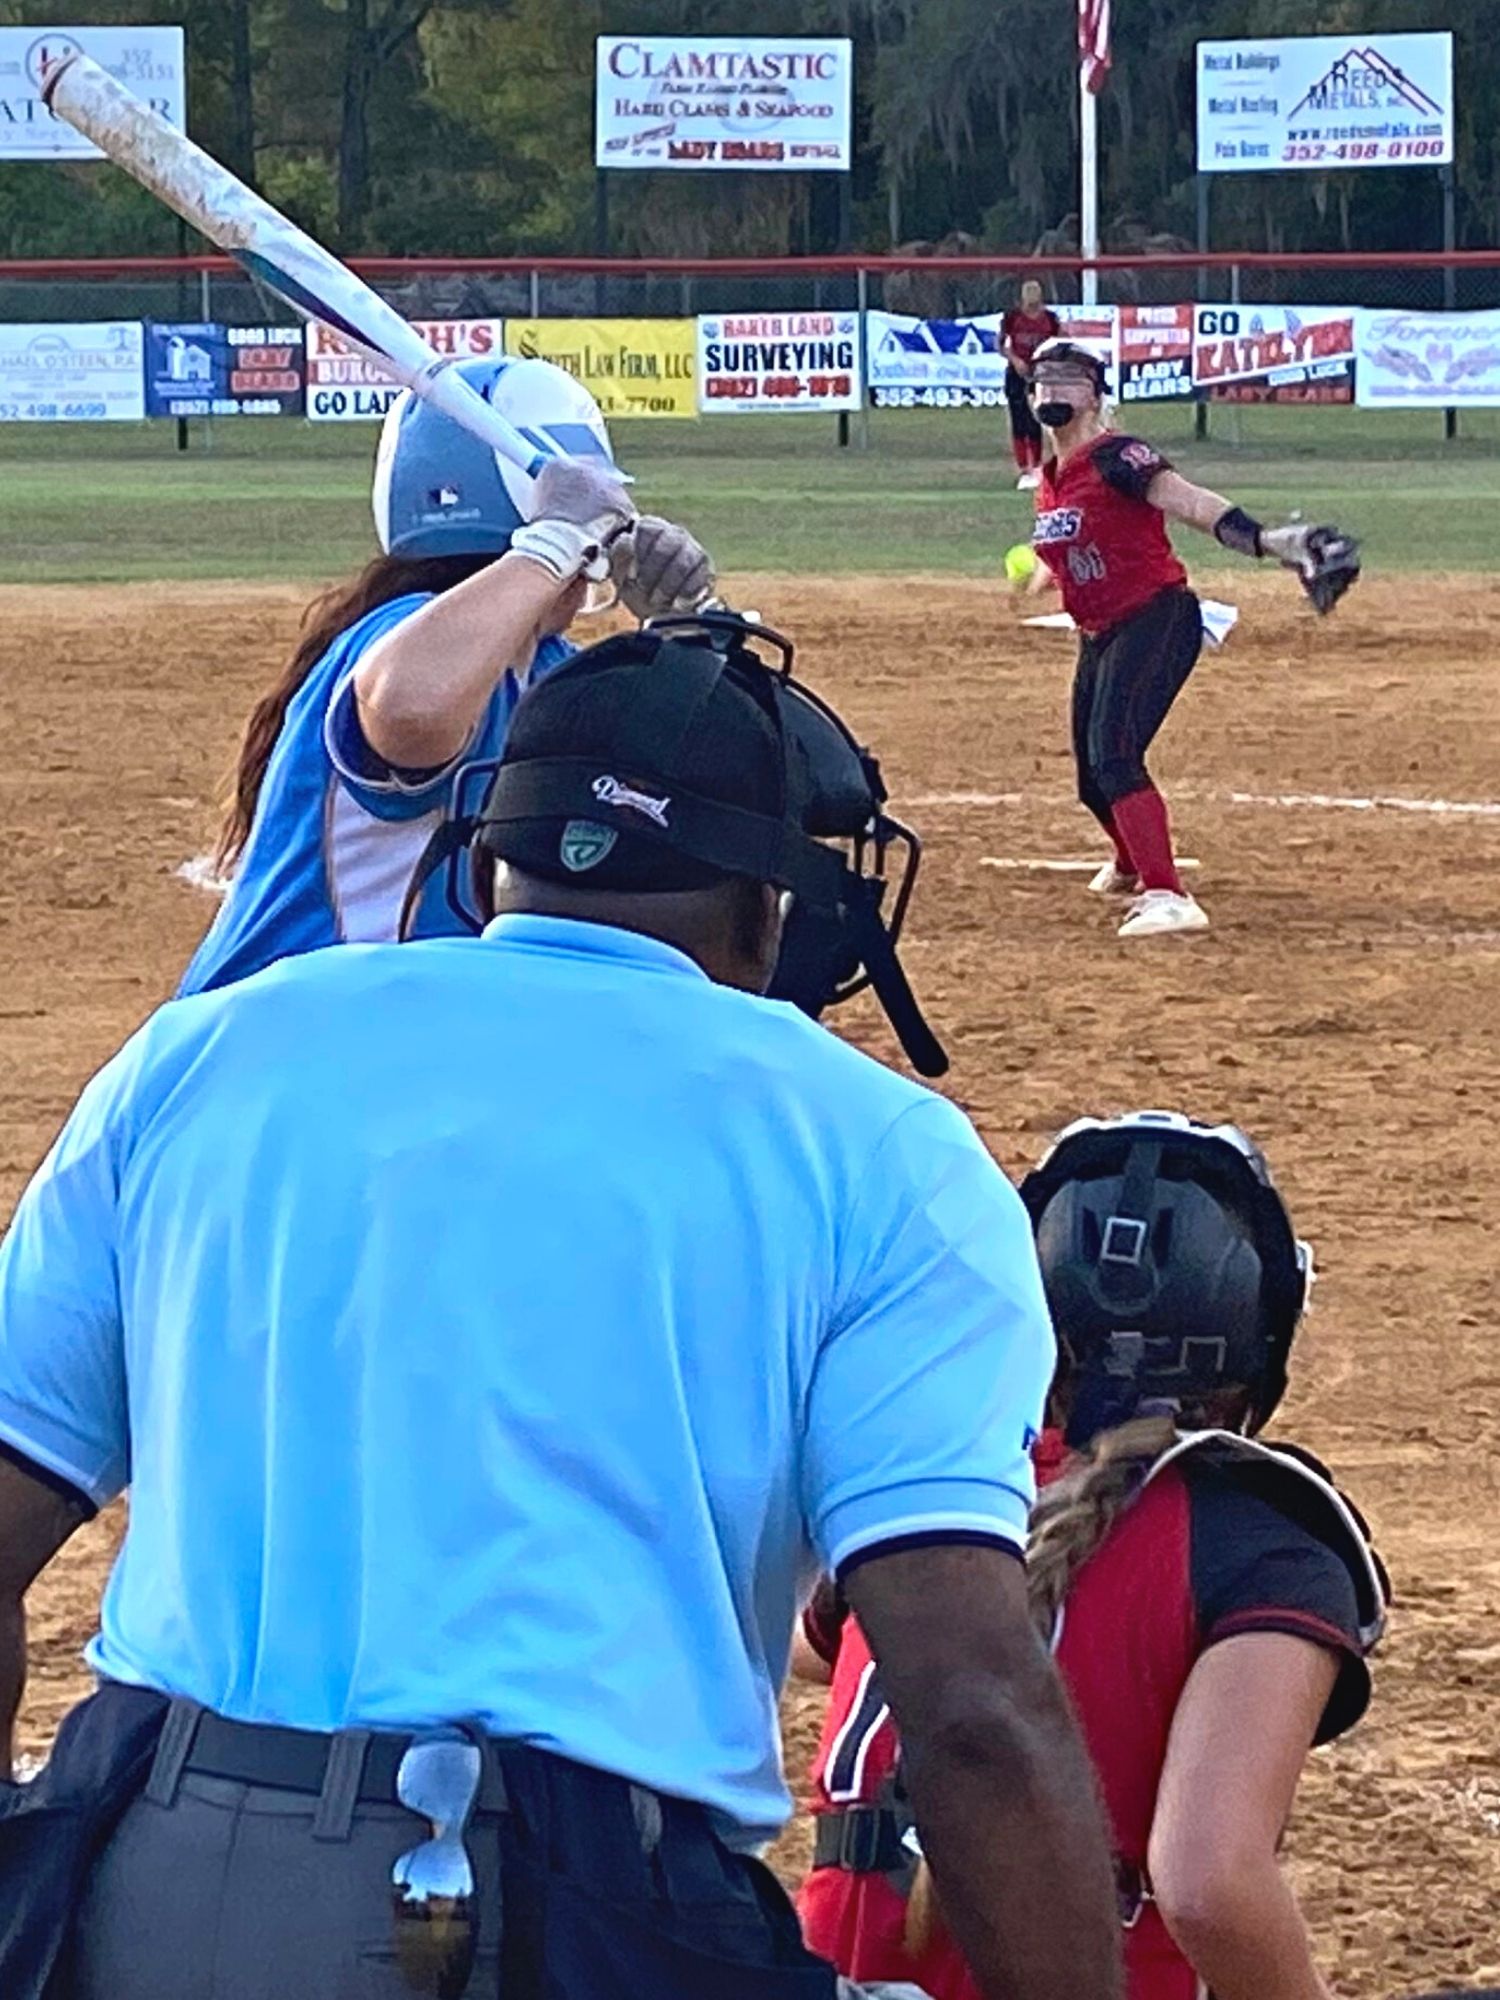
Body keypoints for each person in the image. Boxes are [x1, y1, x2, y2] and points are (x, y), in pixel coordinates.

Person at [0, 614, 1124, 2000]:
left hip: (142, 1873)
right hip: (554, 1910)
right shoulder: (876, 1148)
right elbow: (970, 1708)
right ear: (774, 903)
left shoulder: (209, 1051)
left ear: (487, 856)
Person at [796, 1109, 1389, 2000]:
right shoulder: (1265, 1542)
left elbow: (810, 1649)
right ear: (1261, 1333)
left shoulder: (936, 1477)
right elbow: (1208, 1883)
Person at [177, 353, 713, 996]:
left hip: (386, 1048)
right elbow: (409, 709)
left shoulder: (545, 665)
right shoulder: (403, 630)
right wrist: (553, 543)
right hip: (282, 1042)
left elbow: (685, 801)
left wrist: (689, 634)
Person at [1025, 341, 1360, 938]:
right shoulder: (1051, 478)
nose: (1054, 388)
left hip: (1156, 618)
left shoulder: (1119, 456)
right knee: (1089, 778)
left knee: (1116, 754)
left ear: (1096, 396)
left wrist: (1267, 541)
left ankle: (1170, 896)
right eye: (1043, 379)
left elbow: (1190, 503)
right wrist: (1047, 571)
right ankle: (1131, 862)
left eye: (1070, 379)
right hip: (1099, 631)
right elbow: (1081, 540)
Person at [999, 279, 1059, 490]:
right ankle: (1024, 466)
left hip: (1039, 374)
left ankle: (1037, 466)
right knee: (1019, 418)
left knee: (1035, 419)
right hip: (1017, 373)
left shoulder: (1050, 319)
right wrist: (1015, 360)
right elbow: (1001, 344)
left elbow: (1057, 343)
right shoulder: (1012, 318)